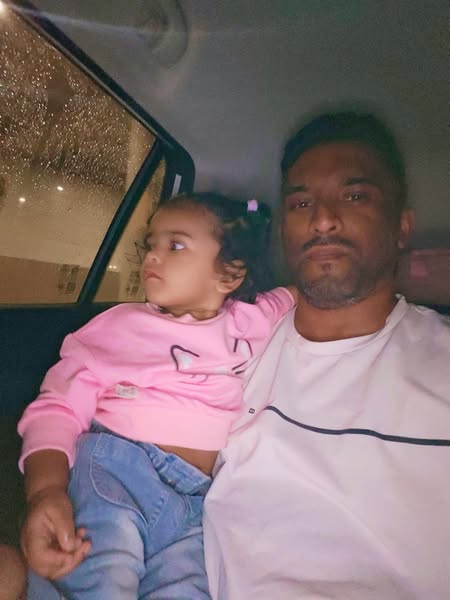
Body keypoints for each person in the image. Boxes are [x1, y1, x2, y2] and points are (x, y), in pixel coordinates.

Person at [203, 111, 450, 599]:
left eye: (354, 196)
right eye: (301, 203)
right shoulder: (229, 345)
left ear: (401, 228)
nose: (321, 219)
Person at [18, 192, 296, 599]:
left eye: (176, 245)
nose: (151, 255)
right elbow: (57, 408)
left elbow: (301, 294)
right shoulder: (118, 326)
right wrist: (46, 491)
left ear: (230, 275)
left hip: (195, 501)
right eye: (151, 244)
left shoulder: (248, 321)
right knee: (98, 583)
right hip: (118, 470)